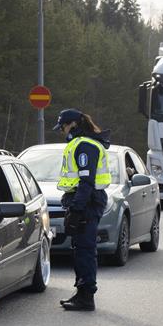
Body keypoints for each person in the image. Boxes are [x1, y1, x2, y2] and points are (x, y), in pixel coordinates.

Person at [53, 108, 111, 311]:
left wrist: (77, 209)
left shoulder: (85, 146)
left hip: (87, 202)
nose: (62, 131)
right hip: (83, 201)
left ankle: (86, 296)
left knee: (85, 250)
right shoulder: (81, 143)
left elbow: (86, 181)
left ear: (73, 125)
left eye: (63, 126)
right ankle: (82, 293)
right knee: (80, 250)